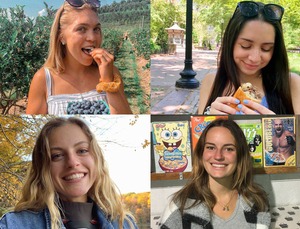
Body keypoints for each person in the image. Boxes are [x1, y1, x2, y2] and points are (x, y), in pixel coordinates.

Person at [0, 117, 137, 229]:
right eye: (57, 155)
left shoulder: (125, 224)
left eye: (82, 150)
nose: (72, 162)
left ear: (97, 159)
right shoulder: (13, 225)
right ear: (43, 168)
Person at [160, 119, 271, 229]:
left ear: (240, 155)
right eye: (211, 147)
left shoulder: (257, 202)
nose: (218, 156)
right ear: (201, 153)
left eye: (228, 149)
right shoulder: (179, 207)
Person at [26, 0, 132, 115]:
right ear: (61, 37)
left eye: (96, 29)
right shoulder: (43, 80)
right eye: (81, 29)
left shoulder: (111, 72)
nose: (92, 38)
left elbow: (127, 126)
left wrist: (108, 82)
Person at [198, 1, 300, 115]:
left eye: (266, 48)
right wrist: (208, 118)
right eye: (245, 46)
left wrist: (277, 129)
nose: (255, 58)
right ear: (230, 42)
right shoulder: (211, 81)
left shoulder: (292, 84)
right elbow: (198, 131)